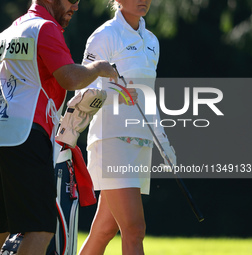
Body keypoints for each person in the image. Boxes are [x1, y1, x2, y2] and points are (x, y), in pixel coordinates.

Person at [0, 0, 117, 254]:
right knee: (40, 230)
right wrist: (98, 68)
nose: (76, 5)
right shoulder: (46, 28)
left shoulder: (6, 35)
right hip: (27, 136)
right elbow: (70, 78)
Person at [78, 0, 177, 254]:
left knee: (104, 230)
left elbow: (148, 98)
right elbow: (87, 90)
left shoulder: (152, 41)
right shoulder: (104, 36)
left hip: (141, 142)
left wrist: (164, 143)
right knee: (134, 229)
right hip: (111, 140)